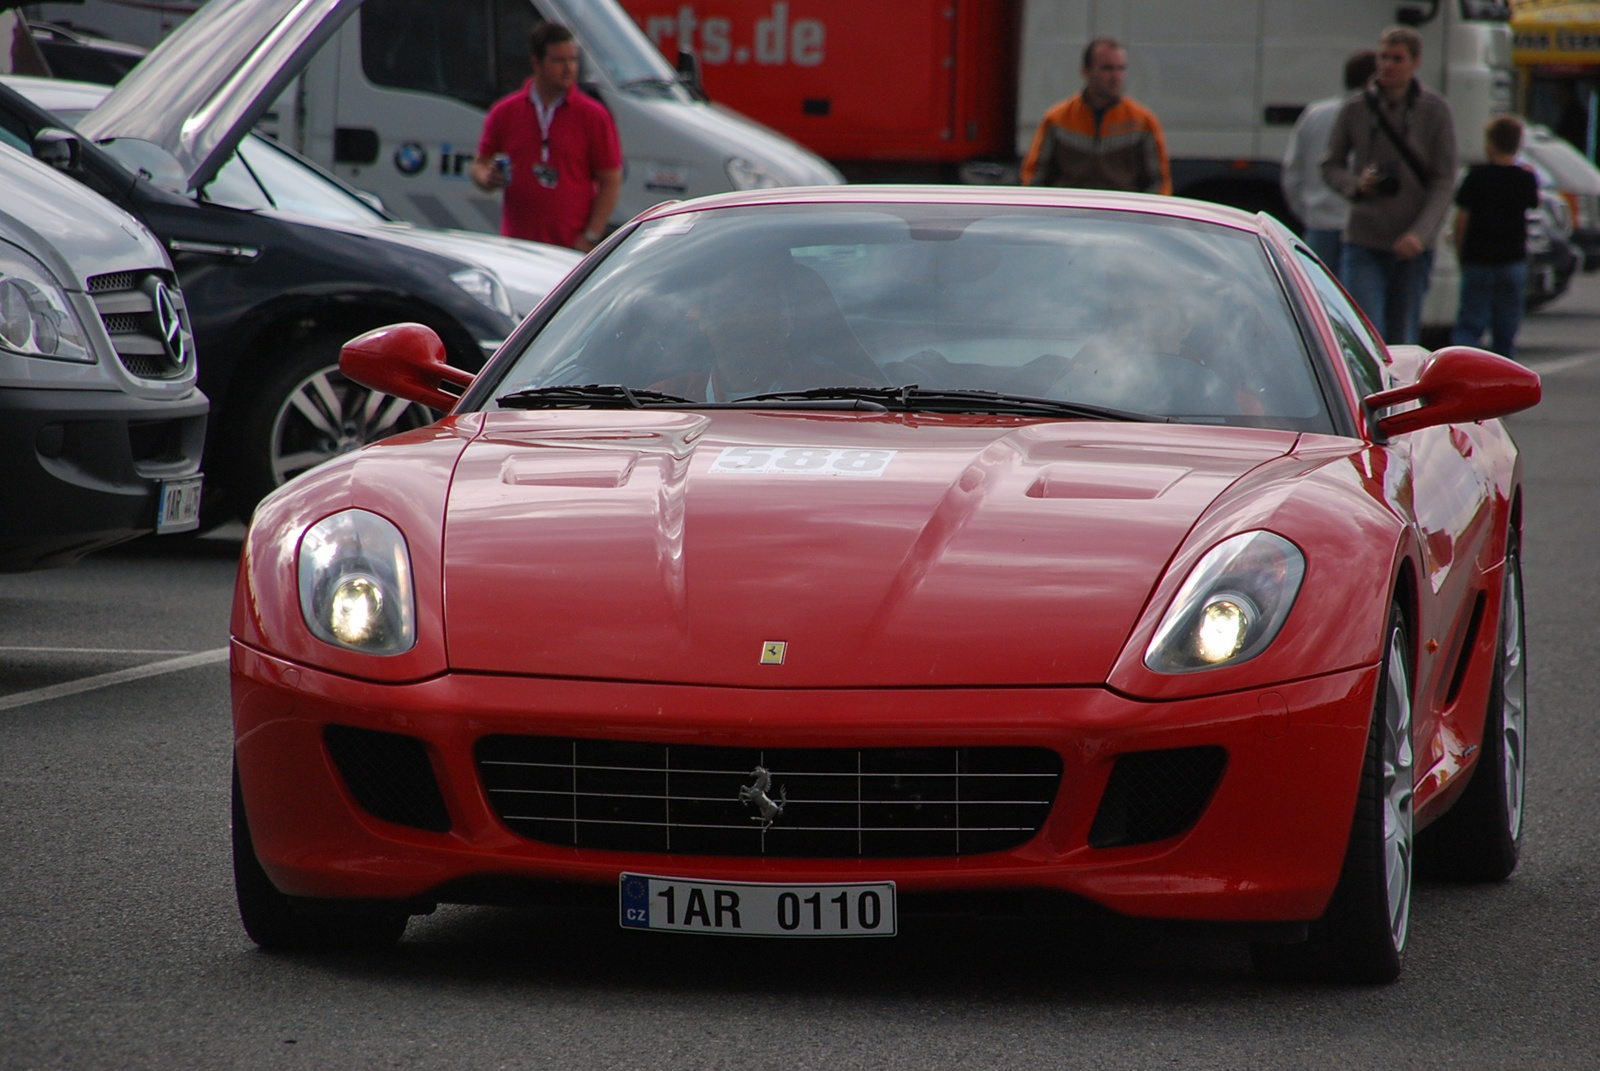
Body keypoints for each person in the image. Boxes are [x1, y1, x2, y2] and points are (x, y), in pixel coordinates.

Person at [1321, 26, 1457, 346]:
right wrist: (1355, 185)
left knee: (1403, 337)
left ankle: (1401, 395)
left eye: (1397, 59)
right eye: (1383, 57)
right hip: (1365, 237)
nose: (1388, 65)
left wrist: (1420, 234)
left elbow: (1444, 181)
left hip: (1412, 243)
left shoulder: (1435, 111)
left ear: (1415, 63)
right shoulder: (1356, 107)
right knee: (1367, 332)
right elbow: (1330, 165)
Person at [471, 22, 622, 252]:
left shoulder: (594, 116)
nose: (569, 68)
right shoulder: (505, 111)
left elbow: (611, 180)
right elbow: (479, 164)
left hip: (569, 250)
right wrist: (486, 178)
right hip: (516, 247)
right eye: (559, 60)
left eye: (573, 60)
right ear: (536, 63)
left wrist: (590, 237)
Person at [653, 257, 876, 401]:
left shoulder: (847, 398)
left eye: (762, 304)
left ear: (789, 318)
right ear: (704, 319)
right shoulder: (661, 400)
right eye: (731, 304)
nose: (746, 320)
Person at [1021, 37, 1171, 194]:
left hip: (1121, 215)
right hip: (1069, 213)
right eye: (1107, 68)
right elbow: (1035, 178)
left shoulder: (1143, 122)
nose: (1116, 76)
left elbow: (1159, 184)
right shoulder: (1057, 120)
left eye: (1121, 68)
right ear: (1086, 72)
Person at [1451, 116, 1541, 359]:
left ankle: (1462, 369)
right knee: (1506, 330)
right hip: (1512, 259)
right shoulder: (1525, 178)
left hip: (1478, 258)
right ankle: (1504, 378)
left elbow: (1462, 221)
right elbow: (1534, 205)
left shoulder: (1476, 176)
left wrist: (1461, 252)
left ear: (1491, 143)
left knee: (1470, 323)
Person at [1281, 50, 1378, 270]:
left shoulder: (1315, 114)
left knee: (1316, 296)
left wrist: (1306, 212)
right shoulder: (1377, 116)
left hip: (1319, 223)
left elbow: (1292, 173)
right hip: (1364, 229)